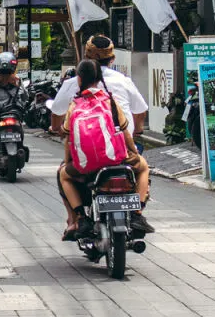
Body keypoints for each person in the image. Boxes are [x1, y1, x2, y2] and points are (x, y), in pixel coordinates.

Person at [58, 59, 153, 241]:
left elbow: (69, 139)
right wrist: (133, 153)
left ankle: (80, 217)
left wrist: (69, 162)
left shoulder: (75, 104)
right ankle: (137, 213)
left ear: (79, 79)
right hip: (117, 159)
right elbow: (125, 132)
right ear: (99, 78)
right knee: (143, 168)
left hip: (87, 165)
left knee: (63, 175)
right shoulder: (110, 101)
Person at [51, 35, 148, 141]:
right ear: (112, 59)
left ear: (86, 59)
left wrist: (57, 129)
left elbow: (56, 115)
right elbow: (140, 112)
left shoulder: (72, 83)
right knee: (139, 157)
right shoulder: (123, 81)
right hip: (121, 146)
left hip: (84, 149)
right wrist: (135, 131)